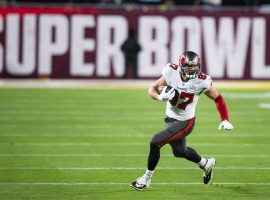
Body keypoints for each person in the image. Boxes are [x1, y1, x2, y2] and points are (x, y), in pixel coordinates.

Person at [130, 51, 233, 191]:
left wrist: (225, 118)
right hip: (170, 119)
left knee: (155, 142)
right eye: (188, 66)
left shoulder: (202, 80)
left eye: (194, 66)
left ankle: (146, 179)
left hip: (185, 122)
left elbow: (218, 98)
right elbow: (152, 89)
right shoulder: (171, 71)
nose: (192, 69)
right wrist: (159, 97)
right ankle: (205, 163)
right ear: (181, 66)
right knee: (179, 151)